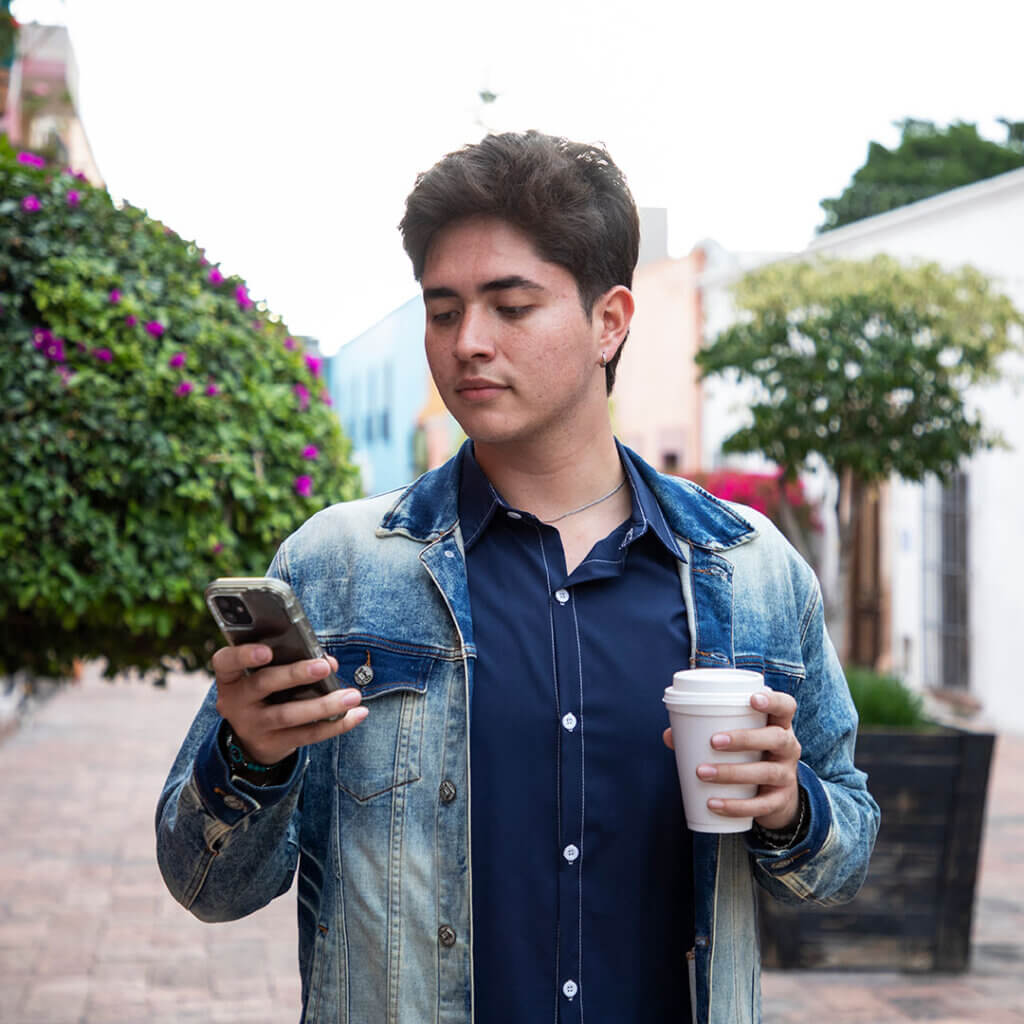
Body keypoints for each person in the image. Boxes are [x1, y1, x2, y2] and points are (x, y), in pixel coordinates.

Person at [156, 130, 879, 1024]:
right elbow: (205, 883)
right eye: (444, 309)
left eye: (510, 306)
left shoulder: (753, 570)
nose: (468, 343)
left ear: (610, 320)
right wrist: (251, 757)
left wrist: (791, 808)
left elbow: (842, 864)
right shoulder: (334, 569)